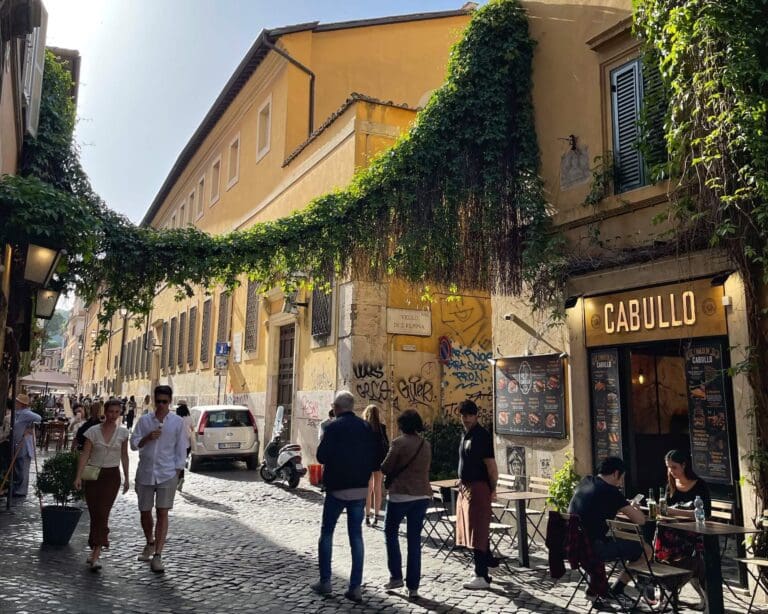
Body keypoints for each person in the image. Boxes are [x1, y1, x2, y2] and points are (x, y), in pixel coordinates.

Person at [311, 390, 377, 603]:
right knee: (356, 537)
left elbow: (321, 456)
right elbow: (375, 457)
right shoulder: (366, 427)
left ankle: (326, 581)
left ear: (337, 407)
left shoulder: (332, 427)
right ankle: (355, 587)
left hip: (337, 488)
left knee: (327, 533)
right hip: (359, 488)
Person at [568, 456, 648, 605]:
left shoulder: (586, 481)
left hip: (574, 545)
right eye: (621, 478)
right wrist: (634, 507)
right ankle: (617, 589)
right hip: (593, 548)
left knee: (608, 540)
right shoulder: (611, 492)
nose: (621, 482)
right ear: (616, 473)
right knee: (645, 550)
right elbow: (640, 520)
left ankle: (594, 589)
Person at [130, 385, 188, 573]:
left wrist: (178, 472)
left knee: (163, 512)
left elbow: (181, 448)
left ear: (170, 402)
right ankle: (150, 542)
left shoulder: (177, 422)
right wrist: (147, 438)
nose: (162, 405)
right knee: (145, 511)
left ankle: (158, 556)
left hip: (167, 473)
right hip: (146, 472)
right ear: (154, 401)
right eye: (159, 401)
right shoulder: (145, 421)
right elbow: (133, 444)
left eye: (165, 402)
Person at [381, 409, 432, 600]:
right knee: (414, 541)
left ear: (402, 425)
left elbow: (385, 467)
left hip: (400, 495)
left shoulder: (398, 443)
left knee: (391, 533)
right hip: (422, 496)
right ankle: (413, 586)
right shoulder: (425, 445)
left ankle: (396, 576)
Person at [74, 399, 130, 571]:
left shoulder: (123, 433)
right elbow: (85, 454)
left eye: (117, 412)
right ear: (105, 412)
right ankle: (94, 547)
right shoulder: (93, 431)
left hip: (111, 477)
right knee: (94, 513)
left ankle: (96, 552)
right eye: (111, 411)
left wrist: (127, 478)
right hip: (93, 475)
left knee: (103, 513)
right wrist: (78, 477)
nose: (113, 415)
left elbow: (124, 456)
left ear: (120, 413)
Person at [654, 449, 711, 608]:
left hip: (694, 533)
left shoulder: (699, 485)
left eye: (674, 467)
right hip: (674, 532)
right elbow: (665, 510)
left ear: (684, 465)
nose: (671, 472)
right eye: (668, 467)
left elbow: (705, 513)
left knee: (666, 543)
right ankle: (665, 589)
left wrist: (673, 511)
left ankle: (668, 589)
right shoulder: (670, 484)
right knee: (660, 532)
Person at [454, 400, 499, 590]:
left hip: (479, 487)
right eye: (463, 416)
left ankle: (481, 574)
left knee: (478, 531)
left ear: (476, 416)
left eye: (469, 415)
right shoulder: (466, 434)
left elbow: (491, 466)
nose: (466, 419)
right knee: (472, 530)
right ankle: (487, 563)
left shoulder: (481, 435)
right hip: (466, 487)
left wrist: (493, 488)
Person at [11, 393, 42, 497]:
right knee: (18, 467)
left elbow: (39, 418)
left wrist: (30, 426)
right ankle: (17, 488)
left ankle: (21, 491)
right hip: (17, 443)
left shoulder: (26, 413)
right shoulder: (17, 413)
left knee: (23, 467)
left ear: (21, 404)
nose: (15, 403)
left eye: (17, 401)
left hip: (24, 443)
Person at [363, 404, 388, 527]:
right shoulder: (382, 428)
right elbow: (386, 445)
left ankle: (367, 516)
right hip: (379, 460)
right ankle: (376, 516)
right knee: (377, 488)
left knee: (367, 489)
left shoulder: (363, 427)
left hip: (366, 461)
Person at [174, 401, 193, 492]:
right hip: (187, 444)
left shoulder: (176, 418)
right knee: (181, 460)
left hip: (178, 443)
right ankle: (180, 478)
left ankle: (179, 478)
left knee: (177, 461)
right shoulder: (189, 418)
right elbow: (192, 429)